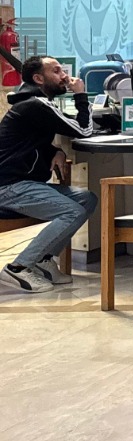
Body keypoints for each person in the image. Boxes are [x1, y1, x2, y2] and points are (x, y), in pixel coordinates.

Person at [0, 55, 97, 293]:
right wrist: (81, 94)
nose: (64, 76)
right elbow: (84, 130)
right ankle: (18, 267)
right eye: (56, 71)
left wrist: (56, 150)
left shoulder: (33, 104)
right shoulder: (36, 104)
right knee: (72, 211)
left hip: (21, 183)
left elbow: (27, 142)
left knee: (86, 199)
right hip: (9, 186)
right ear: (38, 78)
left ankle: (43, 259)